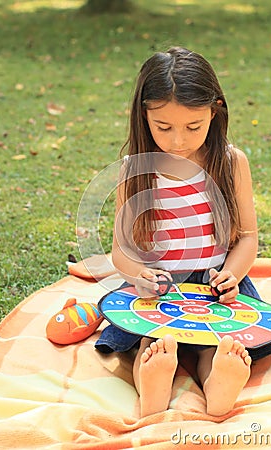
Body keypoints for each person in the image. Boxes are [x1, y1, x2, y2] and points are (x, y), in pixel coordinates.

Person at [100, 46, 260, 418]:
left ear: (214, 110)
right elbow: (122, 250)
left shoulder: (231, 162)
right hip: (158, 284)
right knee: (152, 341)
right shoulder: (134, 169)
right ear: (144, 115)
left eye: (193, 127)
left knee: (215, 344)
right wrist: (138, 276)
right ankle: (153, 386)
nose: (177, 141)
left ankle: (219, 383)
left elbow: (248, 237)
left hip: (213, 285)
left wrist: (231, 275)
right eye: (163, 127)